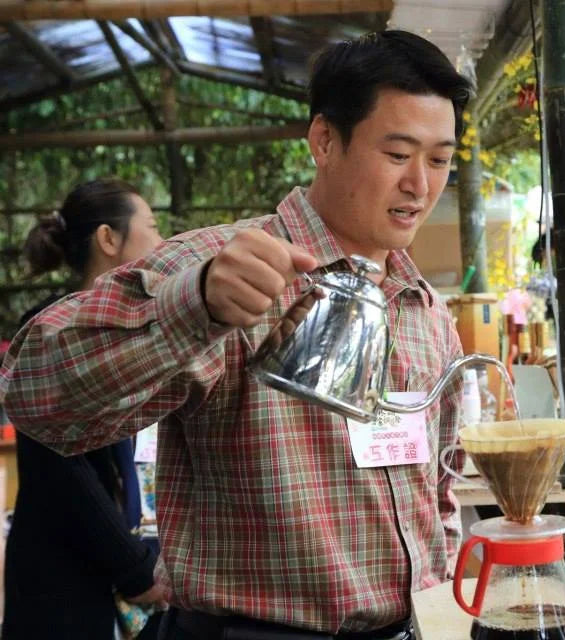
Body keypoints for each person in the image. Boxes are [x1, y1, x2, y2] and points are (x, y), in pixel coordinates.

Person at [0, 30, 472, 639]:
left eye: (439, 160)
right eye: (399, 153)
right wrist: (196, 307)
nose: (420, 185)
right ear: (324, 141)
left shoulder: (422, 306)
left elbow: (440, 486)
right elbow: (34, 394)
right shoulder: (220, 267)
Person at [2, 179, 167, 640]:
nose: (162, 242)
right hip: (67, 583)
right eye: (153, 227)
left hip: (138, 565)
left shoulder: (142, 328)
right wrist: (135, 569)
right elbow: (62, 470)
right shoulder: (51, 331)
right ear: (108, 239)